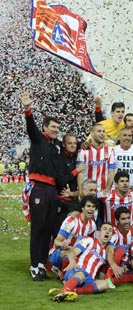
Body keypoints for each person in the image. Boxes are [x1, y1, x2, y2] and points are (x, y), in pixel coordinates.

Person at [20, 91, 61, 281]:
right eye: (53, 127)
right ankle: (33, 265)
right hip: (39, 188)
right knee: (37, 228)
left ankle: (41, 263)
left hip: (52, 191)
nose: (55, 130)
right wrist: (28, 109)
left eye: (57, 128)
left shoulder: (55, 146)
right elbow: (31, 129)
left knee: (47, 229)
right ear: (45, 127)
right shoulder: (39, 139)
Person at [48, 223, 115, 302]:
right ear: (99, 232)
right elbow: (73, 252)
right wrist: (72, 261)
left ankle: (72, 290)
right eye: (105, 229)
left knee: (104, 284)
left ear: (111, 236)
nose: (107, 232)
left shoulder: (105, 254)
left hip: (89, 278)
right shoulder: (90, 240)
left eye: (110, 231)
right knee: (81, 274)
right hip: (76, 270)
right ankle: (64, 292)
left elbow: (101, 274)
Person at [48, 196, 97, 277]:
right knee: (69, 256)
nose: (91, 209)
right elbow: (56, 242)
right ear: (82, 207)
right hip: (59, 253)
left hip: (76, 254)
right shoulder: (71, 221)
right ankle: (63, 275)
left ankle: (64, 272)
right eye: (88, 206)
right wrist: (63, 245)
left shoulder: (92, 226)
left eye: (93, 207)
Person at [105, 207, 133, 286]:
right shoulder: (114, 233)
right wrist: (114, 266)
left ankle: (112, 281)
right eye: (123, 219)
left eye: (128, 218)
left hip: (127, 265)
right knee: (121, 249)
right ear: (117, 221)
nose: (127, 221)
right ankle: (107, 277)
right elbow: (109, 251)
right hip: (113, 263)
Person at [77, 124, 116, 193]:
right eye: (99, 131)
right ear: (92, 133)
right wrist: (80, 191)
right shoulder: (83, 151)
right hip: (87, 191)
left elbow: (111, 172)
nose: (102, 134)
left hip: (103, 191)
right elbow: (80, 173)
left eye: (103, 131)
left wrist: (108, 188)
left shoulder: (110, 150)